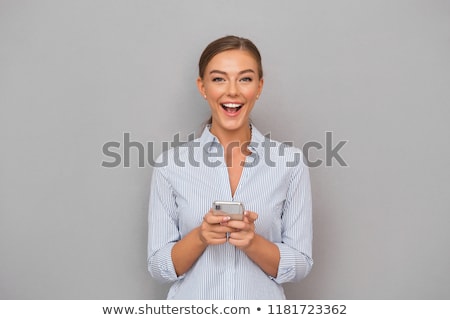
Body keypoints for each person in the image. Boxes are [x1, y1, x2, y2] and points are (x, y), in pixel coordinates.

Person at [148, 35, 313, 299]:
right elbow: (158, 266)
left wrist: (252, 242)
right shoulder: (170, 166)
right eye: (218, 79)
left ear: (259, 87)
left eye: (245, 79)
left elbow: (301, 263)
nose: (232, 91)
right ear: (202, 87)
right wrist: (201, 236)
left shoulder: (290, 164)